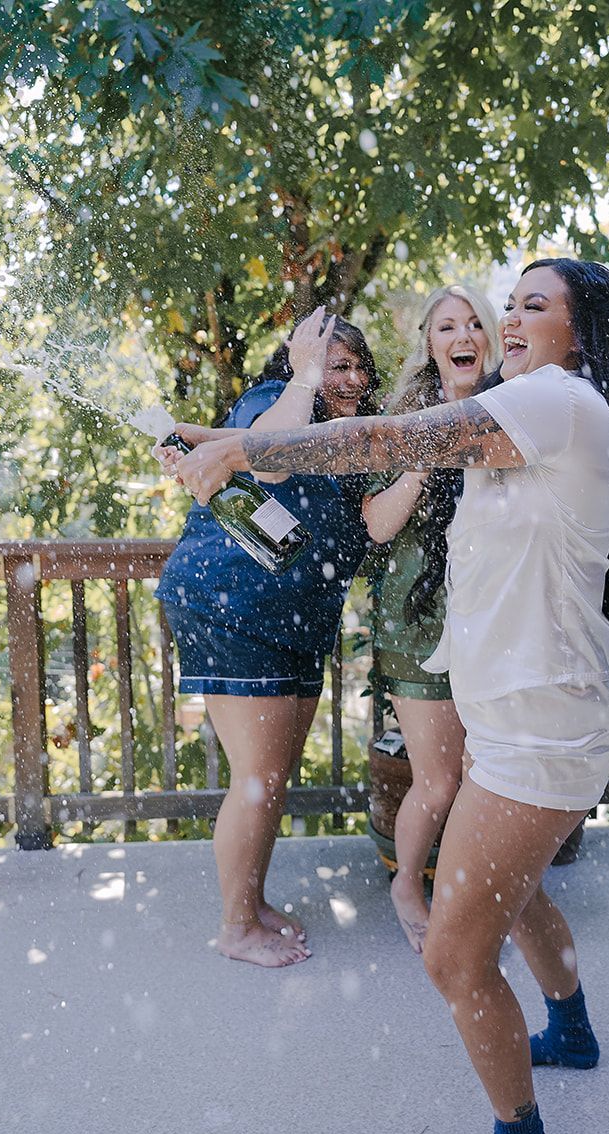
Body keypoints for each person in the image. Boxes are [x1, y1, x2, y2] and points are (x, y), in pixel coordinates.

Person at [166, 258, 609, 1134]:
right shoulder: (528, 412)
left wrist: (244, 447)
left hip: (538, 734)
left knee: (457, 959)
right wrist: (210, 435)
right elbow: (381, 433)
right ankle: (571, 1030)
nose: (510, 319)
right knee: (521, 886)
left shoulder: (559, 399)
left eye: (535, 306)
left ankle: (518, 1124)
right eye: (511, 303)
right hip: (512, 718)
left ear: (580, 334)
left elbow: (390, 441)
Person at [156, 309, 381, 968]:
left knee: (269, 778)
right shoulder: (274, 405)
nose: (354, 377)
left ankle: (250, 904)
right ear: (298, 364)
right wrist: (305, 375)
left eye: (357, 366)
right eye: (336, 364)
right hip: (234, 608)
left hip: (287, 618)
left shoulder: (340, 427)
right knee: (257, 778)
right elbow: (273, 463)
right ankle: (235, 927)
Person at [362, 284, 500, 952]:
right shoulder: (404, 417)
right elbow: (379, 524)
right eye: (447, 325)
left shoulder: (509, 407)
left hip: (494, 619)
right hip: (418, 618)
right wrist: (424, 458)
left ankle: (468, 893)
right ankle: (406, 885)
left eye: (474, 322)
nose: (462, 335)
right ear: (430, 343)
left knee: (488, 773)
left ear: (490, 340)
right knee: (439, 779)